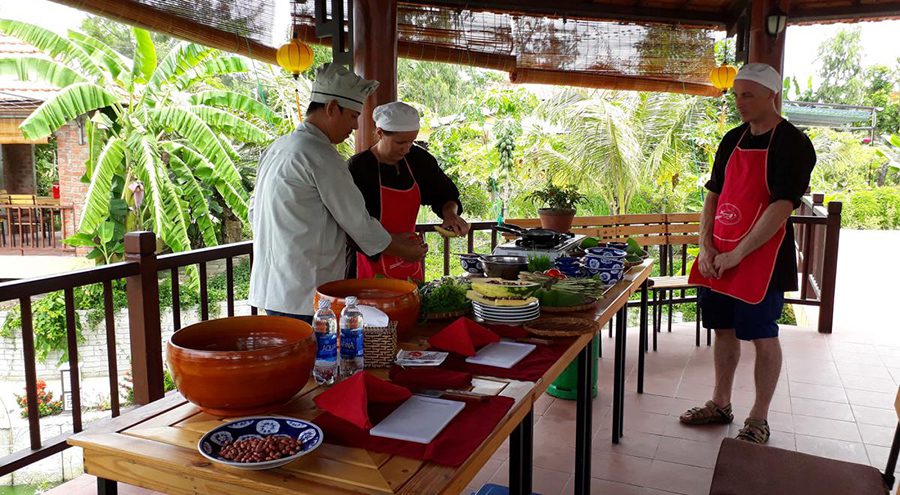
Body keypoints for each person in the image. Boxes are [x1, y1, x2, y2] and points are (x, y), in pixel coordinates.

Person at [683, 63, 816, 444]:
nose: (739, 102)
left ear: (772, 95)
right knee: (723, 330)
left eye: (748, 95)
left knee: (762, 336)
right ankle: (720, 403)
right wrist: (706, 245)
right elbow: (713, 195)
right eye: (737, 94)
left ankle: (758, 419)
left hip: (762, 259)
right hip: (720, 253)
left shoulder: (793, 143)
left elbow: (782, 206)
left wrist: (739, 254)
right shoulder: (732, 139)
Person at [248, 64, 428, 323]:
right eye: (353, 116)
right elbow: (357, 223)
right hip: (306, 293)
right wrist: (404, 250)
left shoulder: (279, 147)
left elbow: (253, 212)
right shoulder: (320, 154)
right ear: (332, 108)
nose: (355, 126)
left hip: (273, 288)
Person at [347, 101, 468, 280]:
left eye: (411, 141)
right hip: (367, 265)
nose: (406, 148)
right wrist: (399, 249)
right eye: (400, 142)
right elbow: (351, 227)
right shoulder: (359, 167)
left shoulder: (419, 160)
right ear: (380, 133)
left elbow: (445, 195)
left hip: (409, 260)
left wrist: (450, 214)